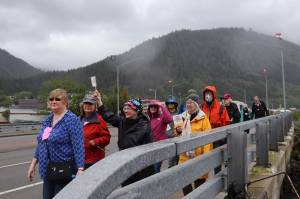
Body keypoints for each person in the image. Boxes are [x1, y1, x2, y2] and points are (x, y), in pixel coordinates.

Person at [27, 88, 84, 199]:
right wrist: (33, 164)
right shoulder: (47, 120)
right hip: (47, 170)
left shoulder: (72, 120)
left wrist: (80, 169)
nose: (53, 101)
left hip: (64, 169)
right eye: (51, 99)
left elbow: (78, 146)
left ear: (65, 102)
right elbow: (41, 143)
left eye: (57, 99)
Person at [94, 90, 155, 186]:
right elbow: (108, 116)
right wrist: (99, 101)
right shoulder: (122, 121)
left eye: (129, 108)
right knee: (126, 190)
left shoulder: (145, 126)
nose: (125, 110)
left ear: (137, 110)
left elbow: (146, 147)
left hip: (140, 167)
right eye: (125, 108)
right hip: (126, 163)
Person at [175, 93, 212, 196]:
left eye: (190, 102)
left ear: (196, 104)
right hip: (184, 155)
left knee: (199, 181)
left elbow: (207, 138)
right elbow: (176, 133)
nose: (188, 104)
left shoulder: (203, 118)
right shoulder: (182, 117)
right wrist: (178, 131)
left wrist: (205, 156)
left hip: (199, 156)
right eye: (187, 102)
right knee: (183, 180)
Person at [201, 86, 230, 174]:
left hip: (218, 138)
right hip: (205, 138)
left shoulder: (221, 107)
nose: (207, 96)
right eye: (206, 94)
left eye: (209, 94)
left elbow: (226, 123)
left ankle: (221, 177)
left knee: (218, 160)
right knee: (204, 160)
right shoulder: (201, 107)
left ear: (213, 95)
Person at [80, 94, 111, 169]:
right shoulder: (79, 119)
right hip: (79, 160)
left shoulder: (99, 120)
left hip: (94, 161)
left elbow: (107, 138)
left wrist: (95, 141)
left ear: (95, 106)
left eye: (90, 104)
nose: (88, 105)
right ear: (82, 105)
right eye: (86, 103)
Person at [147, 100, 173, 173]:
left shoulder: (162, 118)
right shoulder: (148, 119)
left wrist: (162, 106)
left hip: (159, 148)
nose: (153, 108)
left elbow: (169, 119)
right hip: (149, 148)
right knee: (151, 170)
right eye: (151, 106)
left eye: (155, 106)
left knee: (156, 169)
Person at [165, 97, 179, 168]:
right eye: (168, 104)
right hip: (166, 138)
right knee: (170, 159)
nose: (170, 105)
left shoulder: (178, 114)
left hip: (176, 137)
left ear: (175, 105)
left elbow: (179, 126)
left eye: (172, 103)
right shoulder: (164, 114)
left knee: (176, 157)